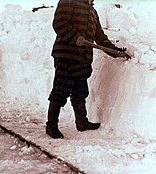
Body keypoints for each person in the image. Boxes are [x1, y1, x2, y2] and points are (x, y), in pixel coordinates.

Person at [46, 0, 128, 139]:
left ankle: (81, 122)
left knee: (80, 90)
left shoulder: (92, 12)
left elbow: (100, 38)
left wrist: (116, 52)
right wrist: (76, 38)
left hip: (83, 57)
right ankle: (51, 126)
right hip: (67, 54)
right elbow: (59, 23)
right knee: (61, 89)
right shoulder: (68, 1)